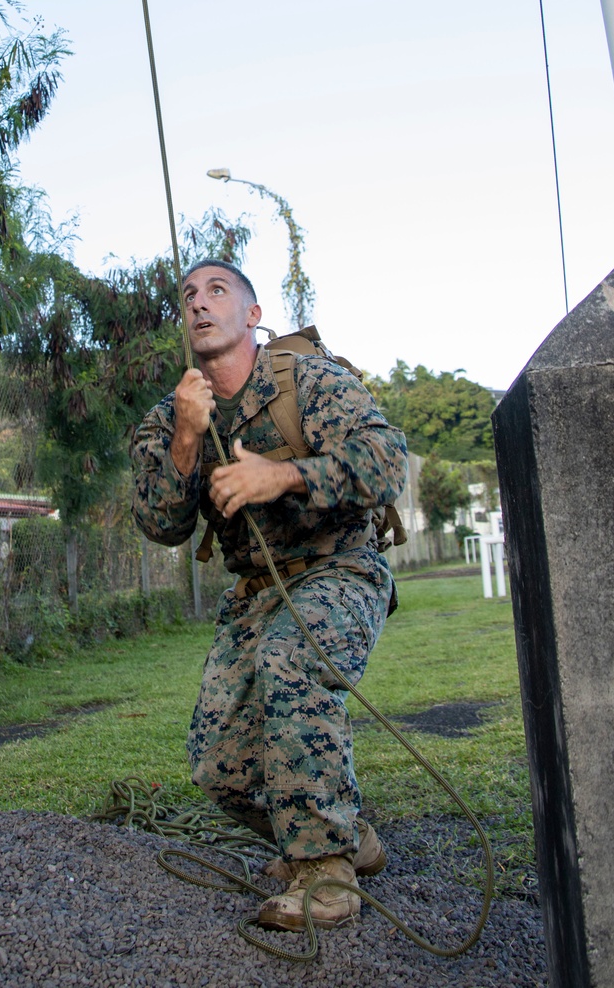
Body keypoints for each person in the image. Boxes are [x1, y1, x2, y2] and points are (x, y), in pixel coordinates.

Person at [131, 259, 408, 932]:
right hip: (255, 592)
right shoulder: (171, 417)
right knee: (218, 769)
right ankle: (339, 835)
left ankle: (325, 873)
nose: (200, 303)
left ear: (252, 315)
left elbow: (386, 462)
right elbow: (161, 524)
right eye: (189, 295)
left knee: (290, 660)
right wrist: (189, 438)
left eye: (217, 291)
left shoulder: (307, 380)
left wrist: (279, 477)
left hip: (338, 569)